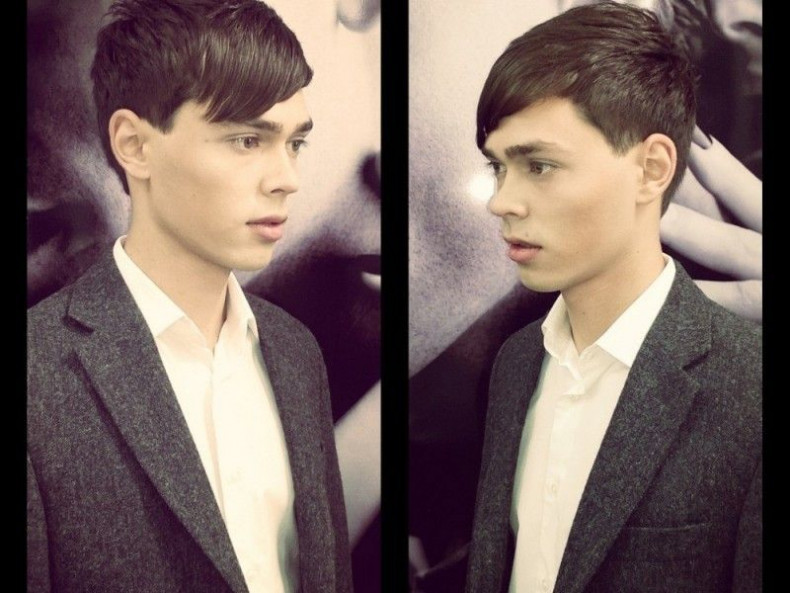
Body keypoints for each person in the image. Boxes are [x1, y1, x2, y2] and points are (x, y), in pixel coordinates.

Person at [27, 1, 353, 591]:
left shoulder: (295, 354)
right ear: (135, 145)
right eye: (247, 140)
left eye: (295, 144)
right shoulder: (38, 370)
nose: (287, 178)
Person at [463, 3, 761, 592]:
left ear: (652, 169)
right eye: (498, 167)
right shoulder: (516, 364)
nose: (500, 202)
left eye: (539, 166)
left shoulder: (747, 384)